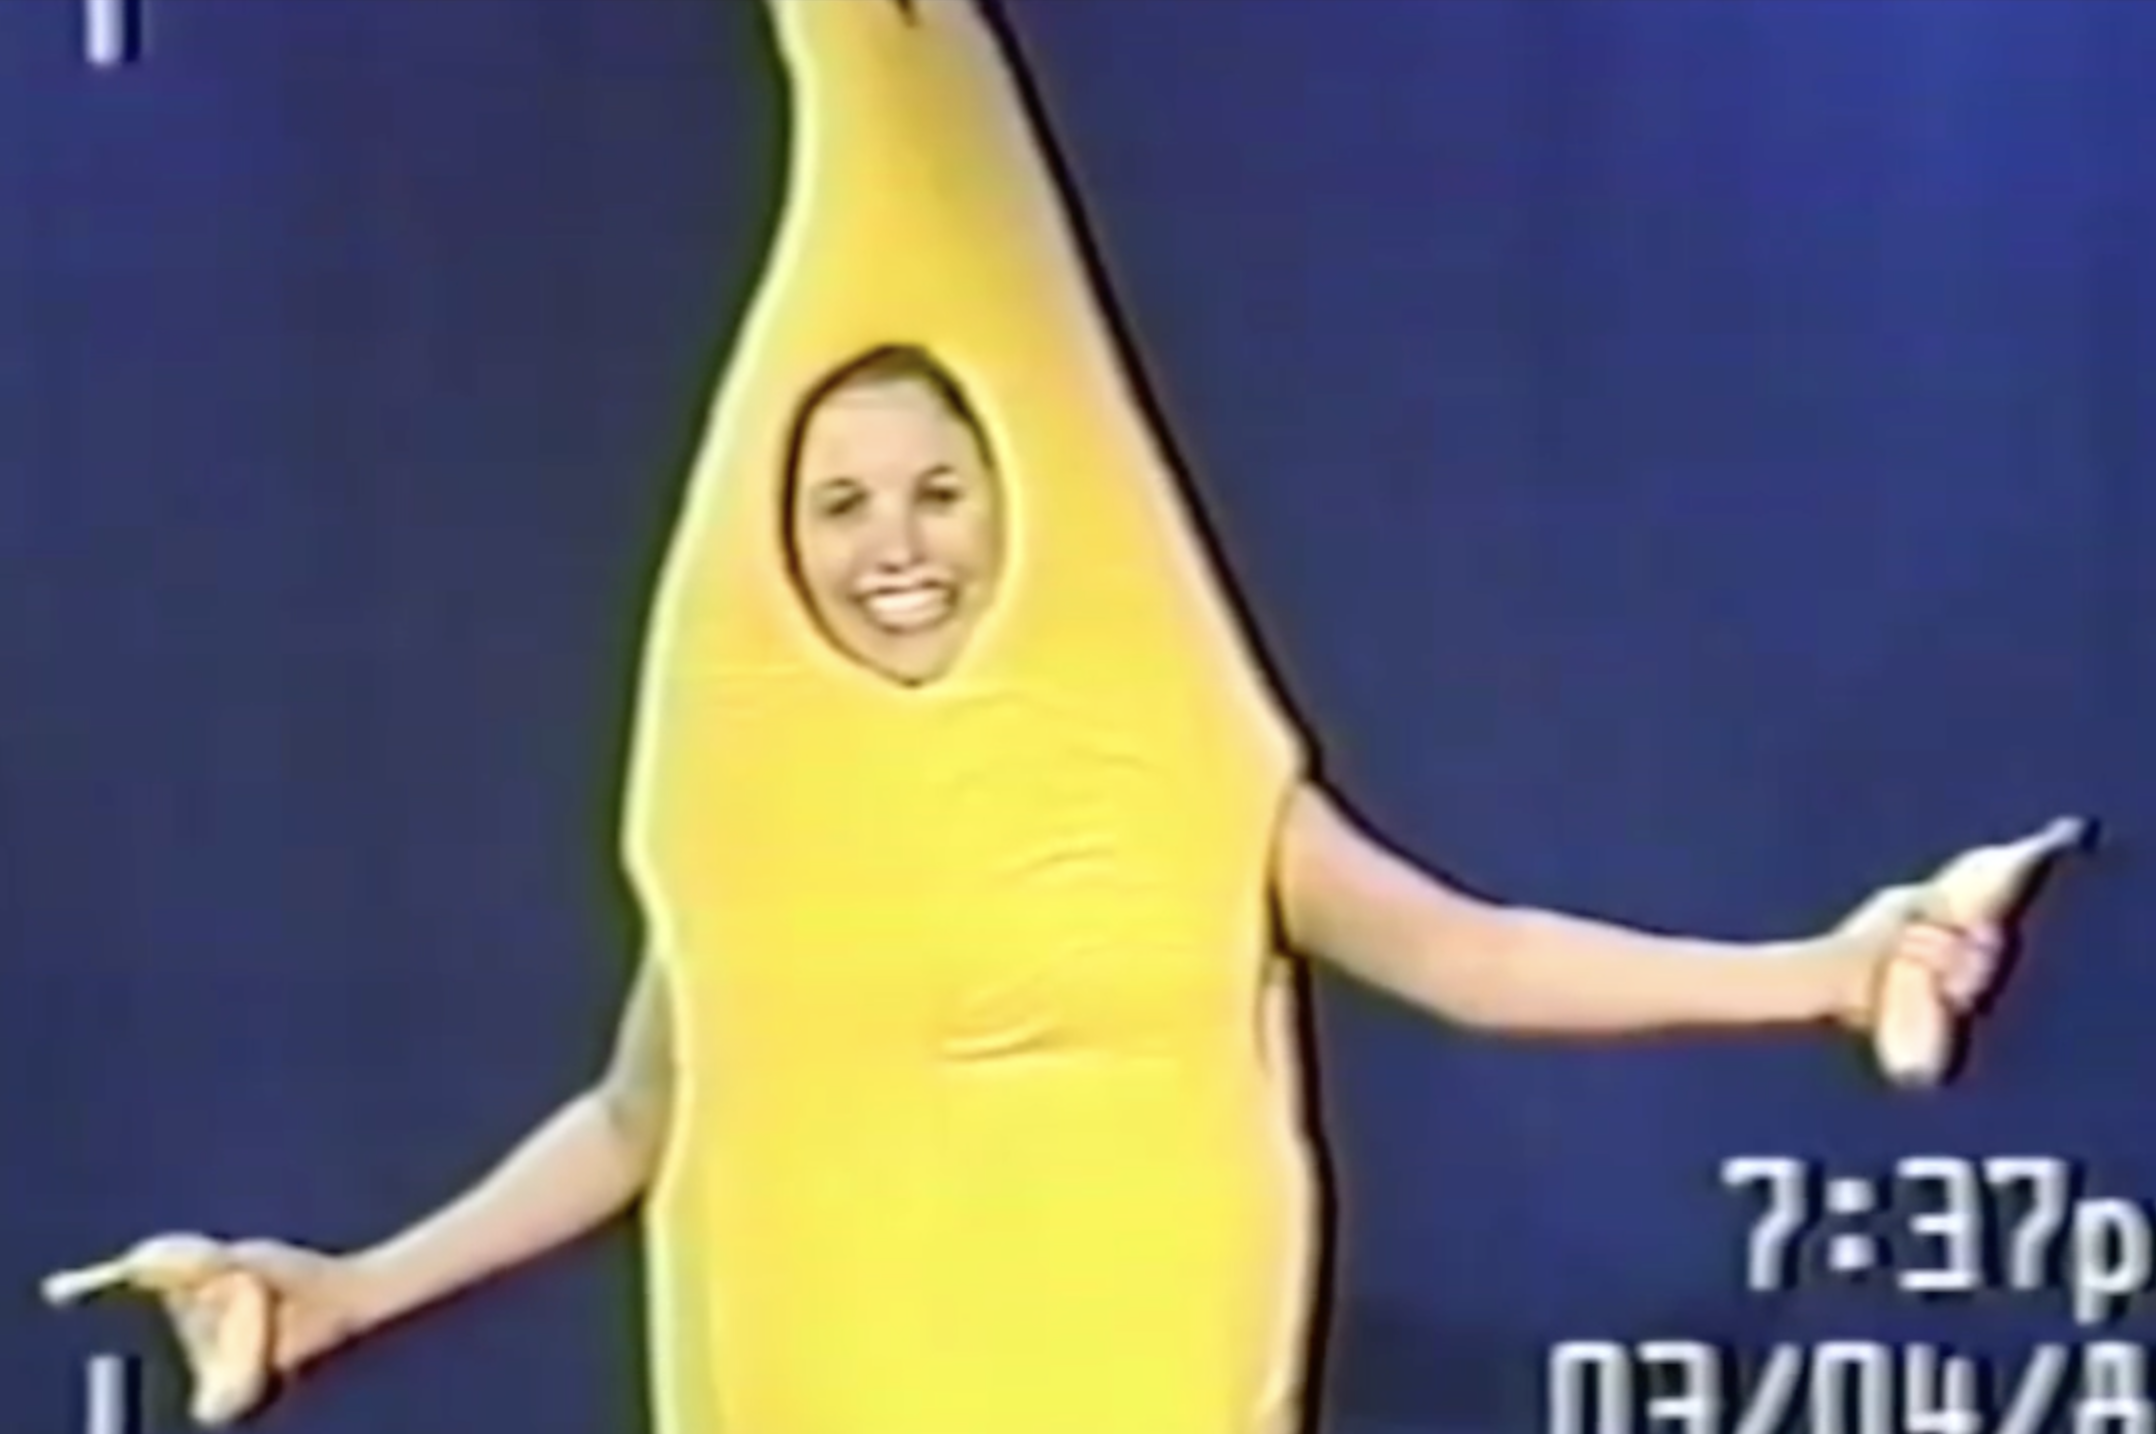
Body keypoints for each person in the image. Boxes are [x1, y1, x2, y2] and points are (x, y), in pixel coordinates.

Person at [143, 343, 2004, 1424]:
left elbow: (1465, 952)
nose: (896, 547)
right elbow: (648, 1110)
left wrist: (1822, 975)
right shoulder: (743, 817)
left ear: (1012, 507)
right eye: (844, 504)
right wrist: (347, 1292)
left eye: (937, 492)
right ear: (777, 544)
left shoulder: (1167, 766)